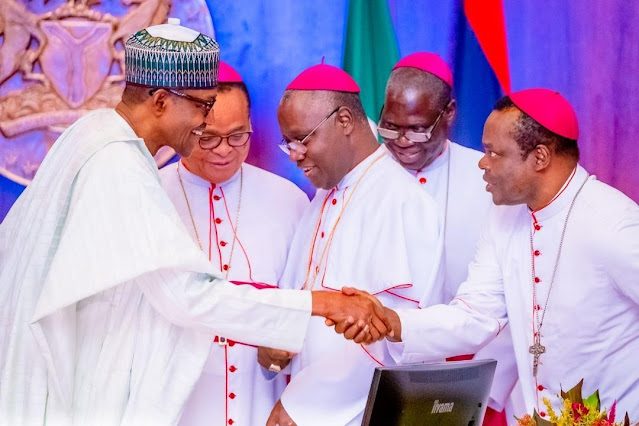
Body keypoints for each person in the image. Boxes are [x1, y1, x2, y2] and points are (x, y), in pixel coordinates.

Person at [0, 21, 389, 425]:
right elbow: (187, 296)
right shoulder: (116, 163)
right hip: (85, 384)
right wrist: (323, 303)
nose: (205, 122)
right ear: (161, 101)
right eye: (202, 105)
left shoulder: (95, 136)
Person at [339, 88, 639, 418]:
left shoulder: (614, 224)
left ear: (539, 158)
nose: (482, 162)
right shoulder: (505, 216)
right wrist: (393, 321)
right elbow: (476, 313)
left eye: (494, 153)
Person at [264, 63, 445, 426]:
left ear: (344, 120)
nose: (295, 154)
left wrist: (305, 405)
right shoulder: (324, 196)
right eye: (288, 143)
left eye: (302, 138)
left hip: (355, 414)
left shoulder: (400, 200)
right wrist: (272, 346)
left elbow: (393, 335)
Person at [159, 61, 309, 426]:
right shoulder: (152, 199)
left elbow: (301, 310)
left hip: (262, 403)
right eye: (207, 137)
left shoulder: (289, 200)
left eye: (238, 135)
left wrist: (280, 353)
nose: (223, 150)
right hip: (176, 408)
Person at [379, 52, 524, 418]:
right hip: (375, 368)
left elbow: (514, 296)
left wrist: (485, 385)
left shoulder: (489, 181)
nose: (402, 141)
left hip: (471, 375)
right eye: (390, 126)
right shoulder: (363, 177)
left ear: (450, 113)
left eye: (417, 128)